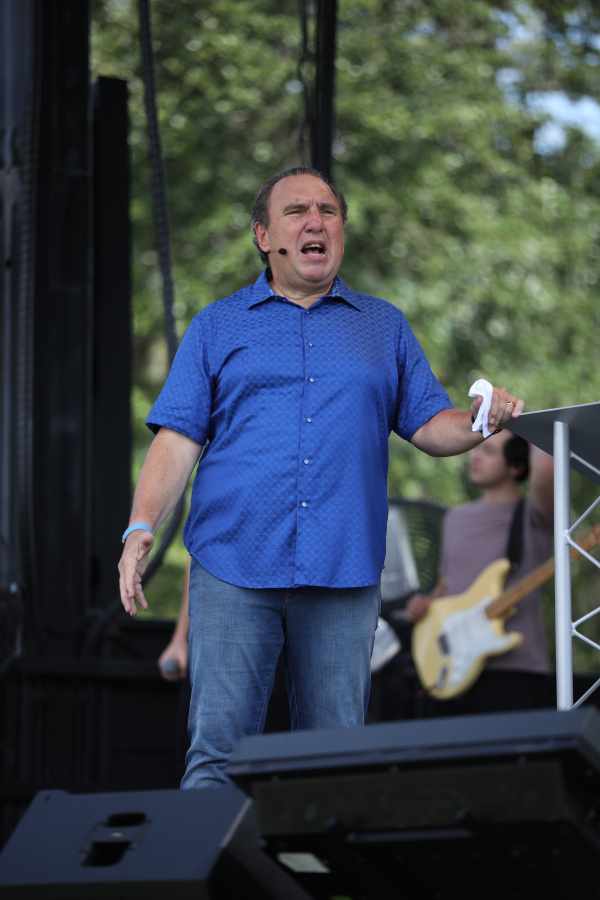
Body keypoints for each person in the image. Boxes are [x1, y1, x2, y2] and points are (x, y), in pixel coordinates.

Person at [118, 166, 525, 788]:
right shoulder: (217, 325)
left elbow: (429, 426)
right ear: (264, 236)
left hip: (343, 570)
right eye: (297, 212)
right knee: (216, 757)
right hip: (232, 562)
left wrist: (482, 419)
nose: (316, 222)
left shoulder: (383, 325)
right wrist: (142, 524)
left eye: (328, 212)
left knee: (334, 766)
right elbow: (176, 440)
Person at [406, 430, 554, 714]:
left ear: (516, 466)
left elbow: (547, 465)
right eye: (477, 448)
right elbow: (445, 586)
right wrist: (424, 605)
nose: (475, 456)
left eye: (489, 451)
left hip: (513, 672)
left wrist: (521, 422)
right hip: (450, 668)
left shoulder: (534, 514)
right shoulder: (455, 518)